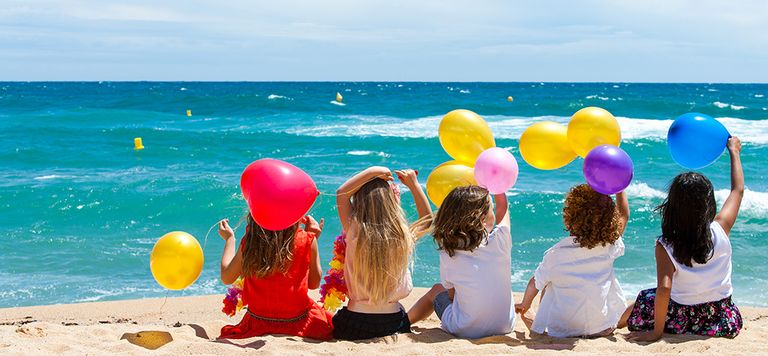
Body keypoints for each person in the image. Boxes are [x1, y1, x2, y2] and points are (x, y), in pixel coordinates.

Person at [622, 136, 744, 342]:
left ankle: (616, 323)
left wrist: (656, 333)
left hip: (682, 317)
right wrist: (734, 152)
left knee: (644, 298)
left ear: (672, 208)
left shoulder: (666, 245)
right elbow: (737, 190)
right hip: (722, 318)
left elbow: (665, 289)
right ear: (709, 206)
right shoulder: (721, 228)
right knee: (649, 297)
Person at [332, 167, 432, 340]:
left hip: (353, 324)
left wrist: (375, 171)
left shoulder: (354, 230)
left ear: (360, 202)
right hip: (393, 323)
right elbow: (427, 221)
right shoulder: (402, 236)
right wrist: (414, 185)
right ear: (393, 202)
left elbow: (342, 193)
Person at [516, 185, 629, 338]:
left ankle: (536, 324)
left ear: (569, 218)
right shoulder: (608, 246)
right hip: (602, 328)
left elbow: (534, 283)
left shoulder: (555, 255)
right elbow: (624, 216)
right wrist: (619, 188)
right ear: (610, 220)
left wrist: (525, 304)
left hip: (562, 332)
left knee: (548, 282)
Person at [407, 185, 515, 339]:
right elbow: (503, 207)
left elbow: (451, 295)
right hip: (505, 326)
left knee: (436, 290)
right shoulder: (501, 239)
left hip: (465, 329)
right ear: (483, 218)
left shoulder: (449, 253)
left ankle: (405, 321)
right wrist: (496, 182)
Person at [217, 214, 334, 340]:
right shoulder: (307, 239)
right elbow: (313, 284)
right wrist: (311, 241)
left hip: (257, 321)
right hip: (298, 321)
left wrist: (230, 239)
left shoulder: (251, 241)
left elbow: (226, 277)